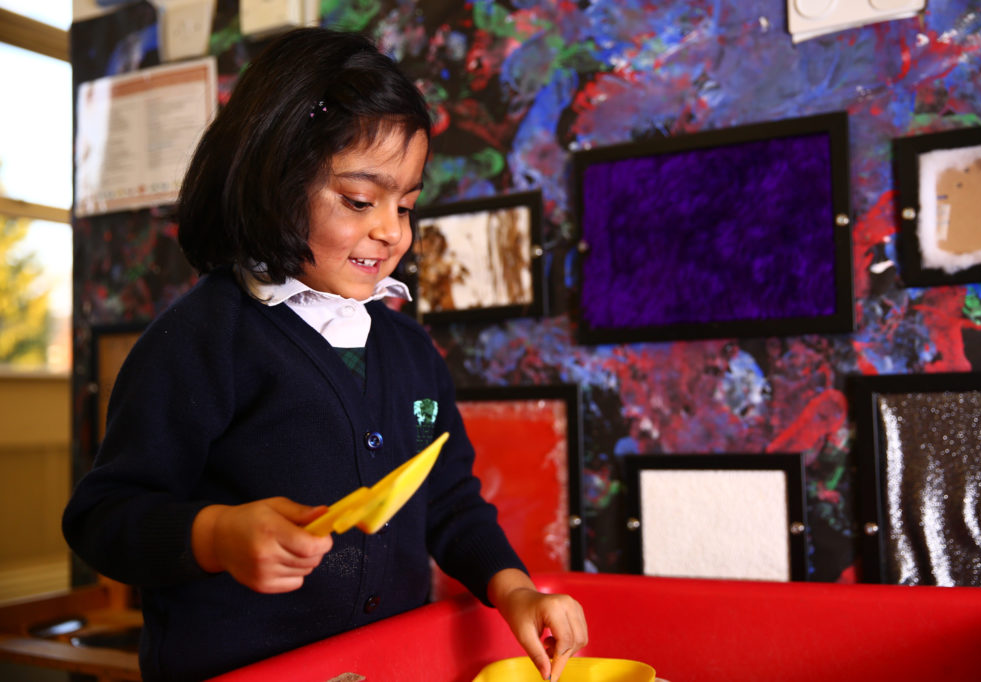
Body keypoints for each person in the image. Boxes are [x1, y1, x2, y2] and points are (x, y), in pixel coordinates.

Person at [62, 27, 587, 682]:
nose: (391, 230)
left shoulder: (409, 350)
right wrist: (217, 536)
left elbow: (450, 500)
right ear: (275, 179)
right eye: (361, 201)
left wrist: (515, 590)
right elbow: (101, 518)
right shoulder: (201, 338)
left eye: (407, 203)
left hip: (386, 666)